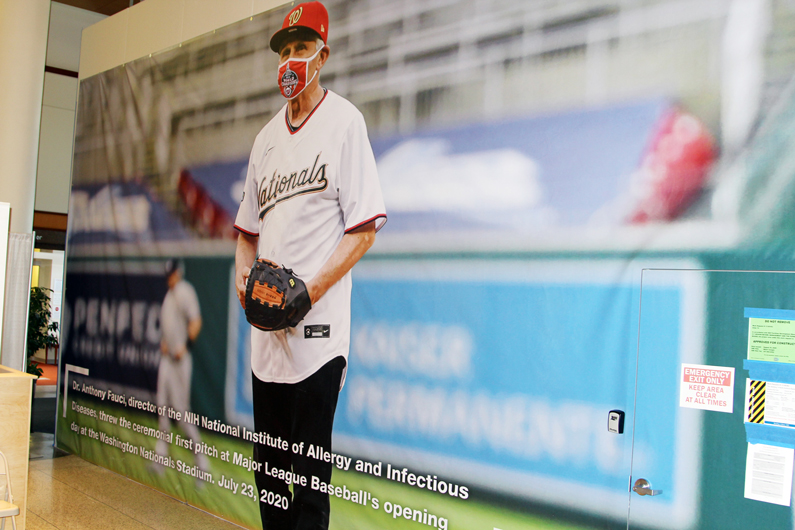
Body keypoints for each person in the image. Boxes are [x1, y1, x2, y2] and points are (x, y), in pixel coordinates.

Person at [233, 2, 386, 528]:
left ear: (323, 55)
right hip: (265, 343)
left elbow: (363, 230)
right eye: (284, 50)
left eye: (301, 48)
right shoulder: (265, 140)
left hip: (318, 339)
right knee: (269, 483)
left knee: (309, 489)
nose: (290, 60)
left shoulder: (345, 123)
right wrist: (242, 281)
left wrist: (309, 291)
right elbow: (245, 235)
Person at [155, 259, 208, 474]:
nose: (170, 277)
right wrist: (166, 343)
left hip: (180, 361)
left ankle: (201, 462)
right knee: (162, 407)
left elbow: (196, 321)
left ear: (179, 272)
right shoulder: (170, 295)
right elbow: (169, 325)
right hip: (167, 360)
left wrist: (185, 346)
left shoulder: (185, 291)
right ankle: (160, 459)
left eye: (172, 273)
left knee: (181, 414)